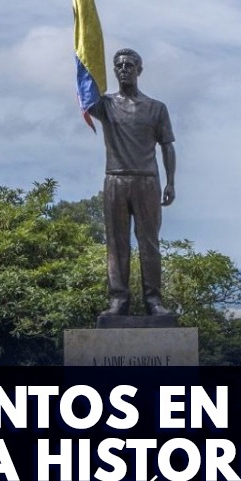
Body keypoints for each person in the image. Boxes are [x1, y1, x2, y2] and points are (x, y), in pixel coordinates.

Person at [87, 48, 176, 317]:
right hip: (115, 179)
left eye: (129, 65)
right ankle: (119, 300)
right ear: (114, 71)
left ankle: (153, 301)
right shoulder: (105, 105)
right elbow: (84, 90)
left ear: (139, 69)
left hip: (146, 181)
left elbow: (168, 147)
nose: (123, 69)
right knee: (116, 243)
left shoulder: (156, 108)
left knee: (149, 243)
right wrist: (83, 53)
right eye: (119, 66)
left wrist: (171, 182)